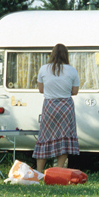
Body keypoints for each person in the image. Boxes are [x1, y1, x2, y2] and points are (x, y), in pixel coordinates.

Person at [33, 44, 81, 173]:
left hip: (49, 106)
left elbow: (41, 90)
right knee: (64, 138)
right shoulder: (72, 70)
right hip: (66, 107)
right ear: (66, 55)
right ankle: (58, 171)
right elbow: (75, 91)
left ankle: (39, 172)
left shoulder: (44, 69)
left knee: (45, 137)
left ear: (52, 54)